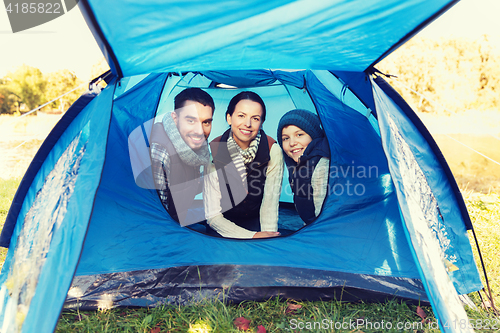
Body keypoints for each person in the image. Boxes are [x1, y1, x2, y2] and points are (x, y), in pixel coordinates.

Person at [204, 91, 283, 239]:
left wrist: (267, 237)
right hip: (221, 224)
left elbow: (270, 206)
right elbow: (213, 216)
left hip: (254, 221)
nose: (247, 124)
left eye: (255, 118)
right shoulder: (214, 151)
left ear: (261, 123)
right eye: (241, 116)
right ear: (229, 118)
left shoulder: (273, 150)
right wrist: (251, 236)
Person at [150, 87, 215, 226]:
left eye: (206, 122)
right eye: (191, 121)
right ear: (175, 118)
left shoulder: (197, 149)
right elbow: (156, 216)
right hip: (159, 227)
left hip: (179, 215)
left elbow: (183, 186)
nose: (199, 131)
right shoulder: (159, 152)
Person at [277, 109, 330, 224]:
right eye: (286, 138)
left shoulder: (322, 166)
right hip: (310, 225)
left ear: (313, 136)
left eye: (299, 135)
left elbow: (325, 219)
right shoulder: (298, 164)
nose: (292, 143)